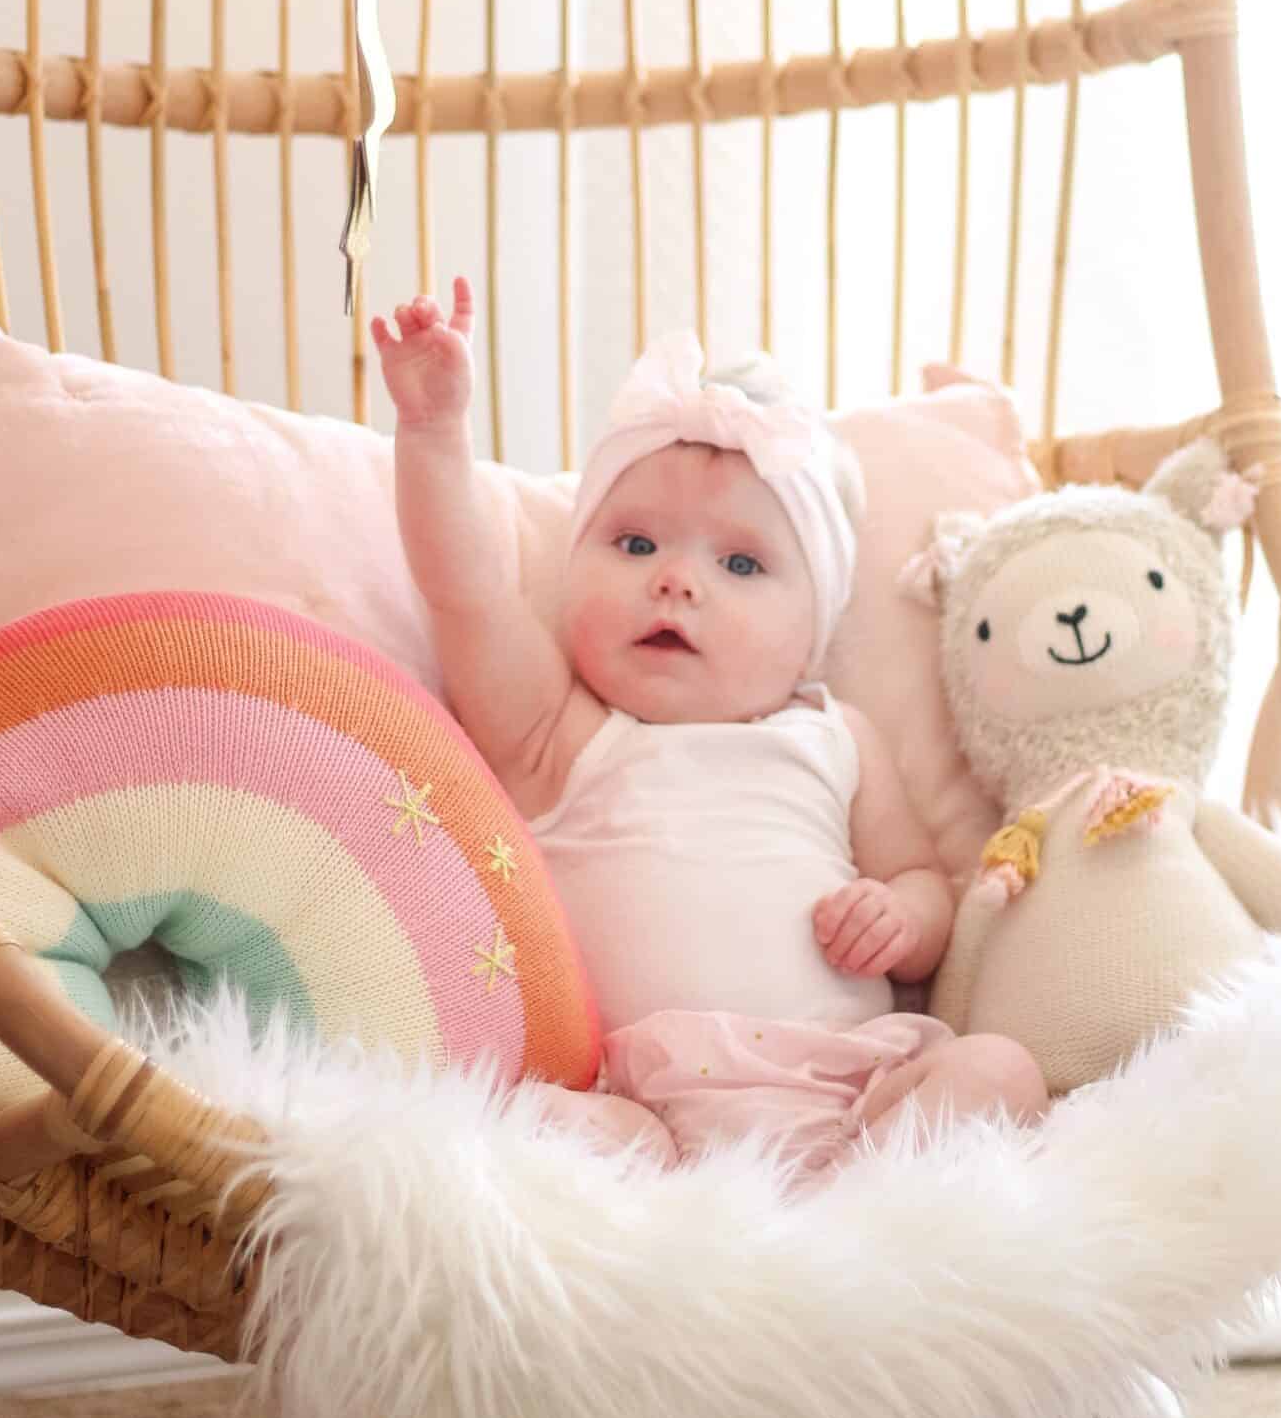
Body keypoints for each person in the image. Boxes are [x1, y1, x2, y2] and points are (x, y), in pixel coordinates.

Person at [371, 279, 1048, 1176]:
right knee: (524, 1124)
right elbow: (466, 593)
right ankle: (716, 1258)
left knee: (999, 1069)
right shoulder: (561, 731)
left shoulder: (835, 736)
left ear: (816, 626)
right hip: (644, 1109)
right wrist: (432, 432)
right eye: (637, 544)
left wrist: (902, 919)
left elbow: (922, 878)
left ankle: (868, 1223)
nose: (676, 581)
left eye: (738, 562)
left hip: (852, 1093)